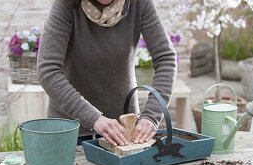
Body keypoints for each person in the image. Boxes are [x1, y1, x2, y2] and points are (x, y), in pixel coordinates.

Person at [37, 0, 177, 146]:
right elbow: (48, 71)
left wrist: (151, 116)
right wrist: (93, 118)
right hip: (71, 129)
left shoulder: (139, 3)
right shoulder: (65, 5)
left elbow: (166, 58)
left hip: (124, 129)